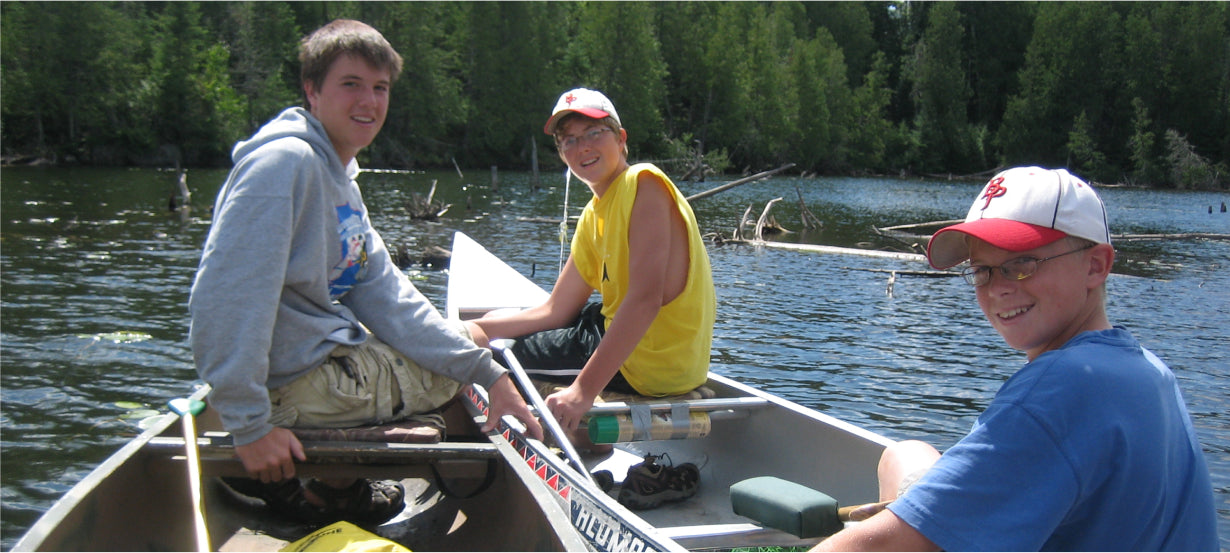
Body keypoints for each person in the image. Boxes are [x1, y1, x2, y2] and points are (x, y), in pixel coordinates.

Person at [188, 19, 541, 525]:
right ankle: (324, 489)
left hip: (307, 370)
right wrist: (249, 427)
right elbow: (222, 301)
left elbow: (386, 294)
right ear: (312, 90)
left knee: (464, 346)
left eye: (380, 88)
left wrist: (485, 368)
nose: (369, 102)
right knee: (457, 367)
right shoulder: (284, 166)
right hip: (289, 389)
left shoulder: (337, 179)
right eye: (350, 84)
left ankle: (329, 487)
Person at [814, 167, 1218, 551]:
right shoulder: (1146, 370)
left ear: (1096, 265)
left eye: (1021, 264)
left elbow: (888, 547)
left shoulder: (1066, 385)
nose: (997, 289)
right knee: (904, 455)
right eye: (982, 270)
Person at [465, 88, 717, 445]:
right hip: (642, 349)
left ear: (621, 138)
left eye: (594, 133)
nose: (582, 147)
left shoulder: (643, 184)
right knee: (494, 334)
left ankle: (564, 439)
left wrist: (582, 390)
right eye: (568, 140)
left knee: (492, 358)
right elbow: (556, 310)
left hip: (647, 364)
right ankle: (580, 437)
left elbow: (645, 299)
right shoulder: (592, 215)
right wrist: (478, 327)